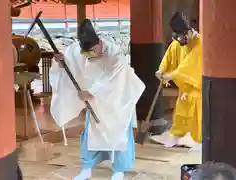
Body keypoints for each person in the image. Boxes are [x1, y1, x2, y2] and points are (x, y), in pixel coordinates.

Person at [49, 19, 145, 180]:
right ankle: (87, 168)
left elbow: (115, 79)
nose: (90, 55)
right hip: (96, 102)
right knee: (91, 134)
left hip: (118, 101)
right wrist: (61, 61)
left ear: (99, 43)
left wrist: (91, 91)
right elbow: (71, 62)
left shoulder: (115, 54)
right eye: (87, 52)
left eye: (93, 50)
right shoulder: (80, 50)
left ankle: (119, 169)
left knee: (119, 134)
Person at [155, 12, 202, 148]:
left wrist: (173, 75)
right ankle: (176, 136)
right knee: (181, 114)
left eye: (182, 36)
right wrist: (162, 69)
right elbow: (169, 55)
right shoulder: (178, 42)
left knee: (197, 116)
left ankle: (197, 140)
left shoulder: (199, 43)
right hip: (185, 88)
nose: (180, 39)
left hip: (196, 86)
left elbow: (189, 65)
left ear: (188, 32)